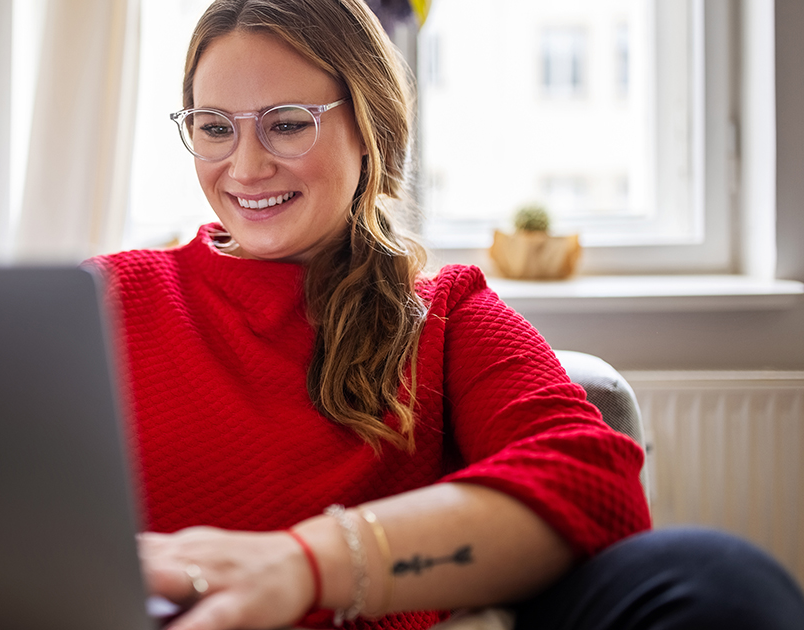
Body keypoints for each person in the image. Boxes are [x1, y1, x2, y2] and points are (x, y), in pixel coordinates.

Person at [91, 1, 804, 629]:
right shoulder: (105, 300)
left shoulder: (443, 314)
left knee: (716, 575)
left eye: (286, 124)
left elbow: (597, 482)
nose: (244, 168)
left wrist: (304, 565)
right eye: (214, 128)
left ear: (369, 130)